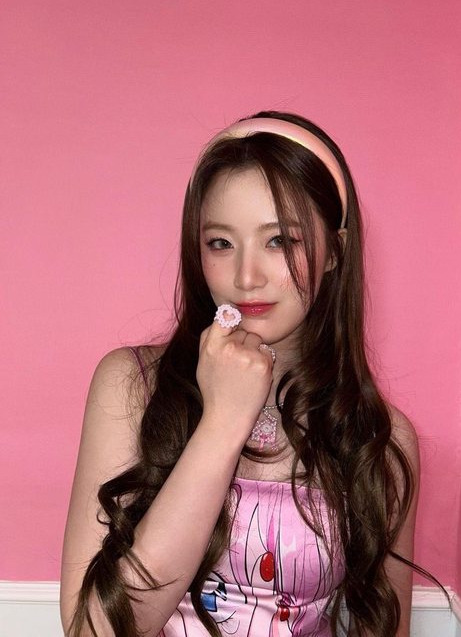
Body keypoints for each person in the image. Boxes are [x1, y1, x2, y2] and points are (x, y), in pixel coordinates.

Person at [60, 110, 429, 637]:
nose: (246, 276)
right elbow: (94, 630)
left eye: (281, 241)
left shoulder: (380, 437)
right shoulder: (131, 385)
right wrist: (222, 422)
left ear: (335, 252)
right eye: (221, 243)